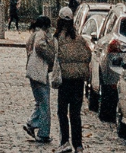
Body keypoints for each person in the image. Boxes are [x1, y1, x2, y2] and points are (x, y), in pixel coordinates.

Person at [53, 12, 90, 150]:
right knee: (75, 113)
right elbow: (88, 55)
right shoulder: (80, 39)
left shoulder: (57, 39)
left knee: (62, 112)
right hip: (78, 80)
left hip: (65, 80)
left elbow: (53, 57)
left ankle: (65, 142)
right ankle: (78, 144)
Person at [24, 15, 54, 144]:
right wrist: (51, 57)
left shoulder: (34, 34)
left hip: (32, 71)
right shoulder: (41, 35)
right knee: (45, 103)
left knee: (40, 101)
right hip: (39, 72)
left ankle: (32, 123)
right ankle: (43, 133)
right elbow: (40, 46)